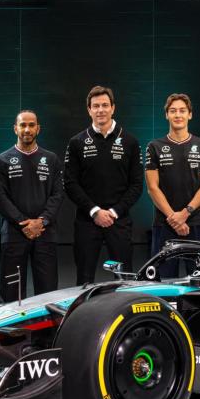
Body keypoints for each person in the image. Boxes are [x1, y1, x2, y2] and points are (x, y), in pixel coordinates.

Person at [64, 86, 144, 284]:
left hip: (119, 221)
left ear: (113, 108)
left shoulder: (130, 142)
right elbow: (70, 183)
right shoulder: (77, 142)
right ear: (89, 110)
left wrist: (114, 212)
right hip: (87, 221)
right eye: (96, 106)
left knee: (124, 280)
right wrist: (95, 211)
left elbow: (136, 185)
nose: (101, 110)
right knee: (84, 280)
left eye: (105, 105)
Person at [0, 110, 63, 302]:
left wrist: (42, 221)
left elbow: (57, 195)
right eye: (23, 125)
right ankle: (13, 331)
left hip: (45, 233)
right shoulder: (2, 160)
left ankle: (46, 330)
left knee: (47, 291)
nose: (27, 129)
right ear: (15, 128)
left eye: (31, 125)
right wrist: (23, 222)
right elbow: (0, 197)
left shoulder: (51, 159)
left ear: (38, 129)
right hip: (14, 234)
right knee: (11, 291)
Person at [145, 93, 200, 278]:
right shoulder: (154, 146)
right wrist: (173, 218)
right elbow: (152, 187)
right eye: (173, 111)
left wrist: (185, 214)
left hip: (196, 223)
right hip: (165, 224)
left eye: (182, 111)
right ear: (166, 115)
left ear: (190, 114)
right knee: (164, 282)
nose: (178, 115)